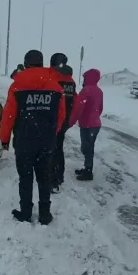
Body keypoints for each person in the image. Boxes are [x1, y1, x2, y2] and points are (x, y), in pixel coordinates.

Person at [0, 50, 66, 225]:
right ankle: (45, 213)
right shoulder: (56, 87)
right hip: (46, 142)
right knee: (44, 177)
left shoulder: (17, 86)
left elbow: (8, 116)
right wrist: (52, 132)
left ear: (25, 64)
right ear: (42, 63)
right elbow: (61, 115)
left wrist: (5, 139)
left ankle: (26, 212)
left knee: (25, 178)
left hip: (24, 142)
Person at [48, 52, 77, 192]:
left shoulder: (52, 78)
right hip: (65, 120)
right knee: (59, 148)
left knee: (51, 149)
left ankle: (52, 181)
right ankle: (59, 175)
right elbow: (75, 101)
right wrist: (69, 120)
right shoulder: (71, 81)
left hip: (53, 120)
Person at [68, 68, 103, 181]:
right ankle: (87, 168)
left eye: (85, 78)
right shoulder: (99, 91)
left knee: (87, 148)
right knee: (89, 147)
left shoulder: (85, 91)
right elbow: (100, 108)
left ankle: (88, 172)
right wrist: (94, 117)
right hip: (95, 125)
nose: (83, 80)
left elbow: (78, 109)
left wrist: (71, 122)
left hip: (87, 125)